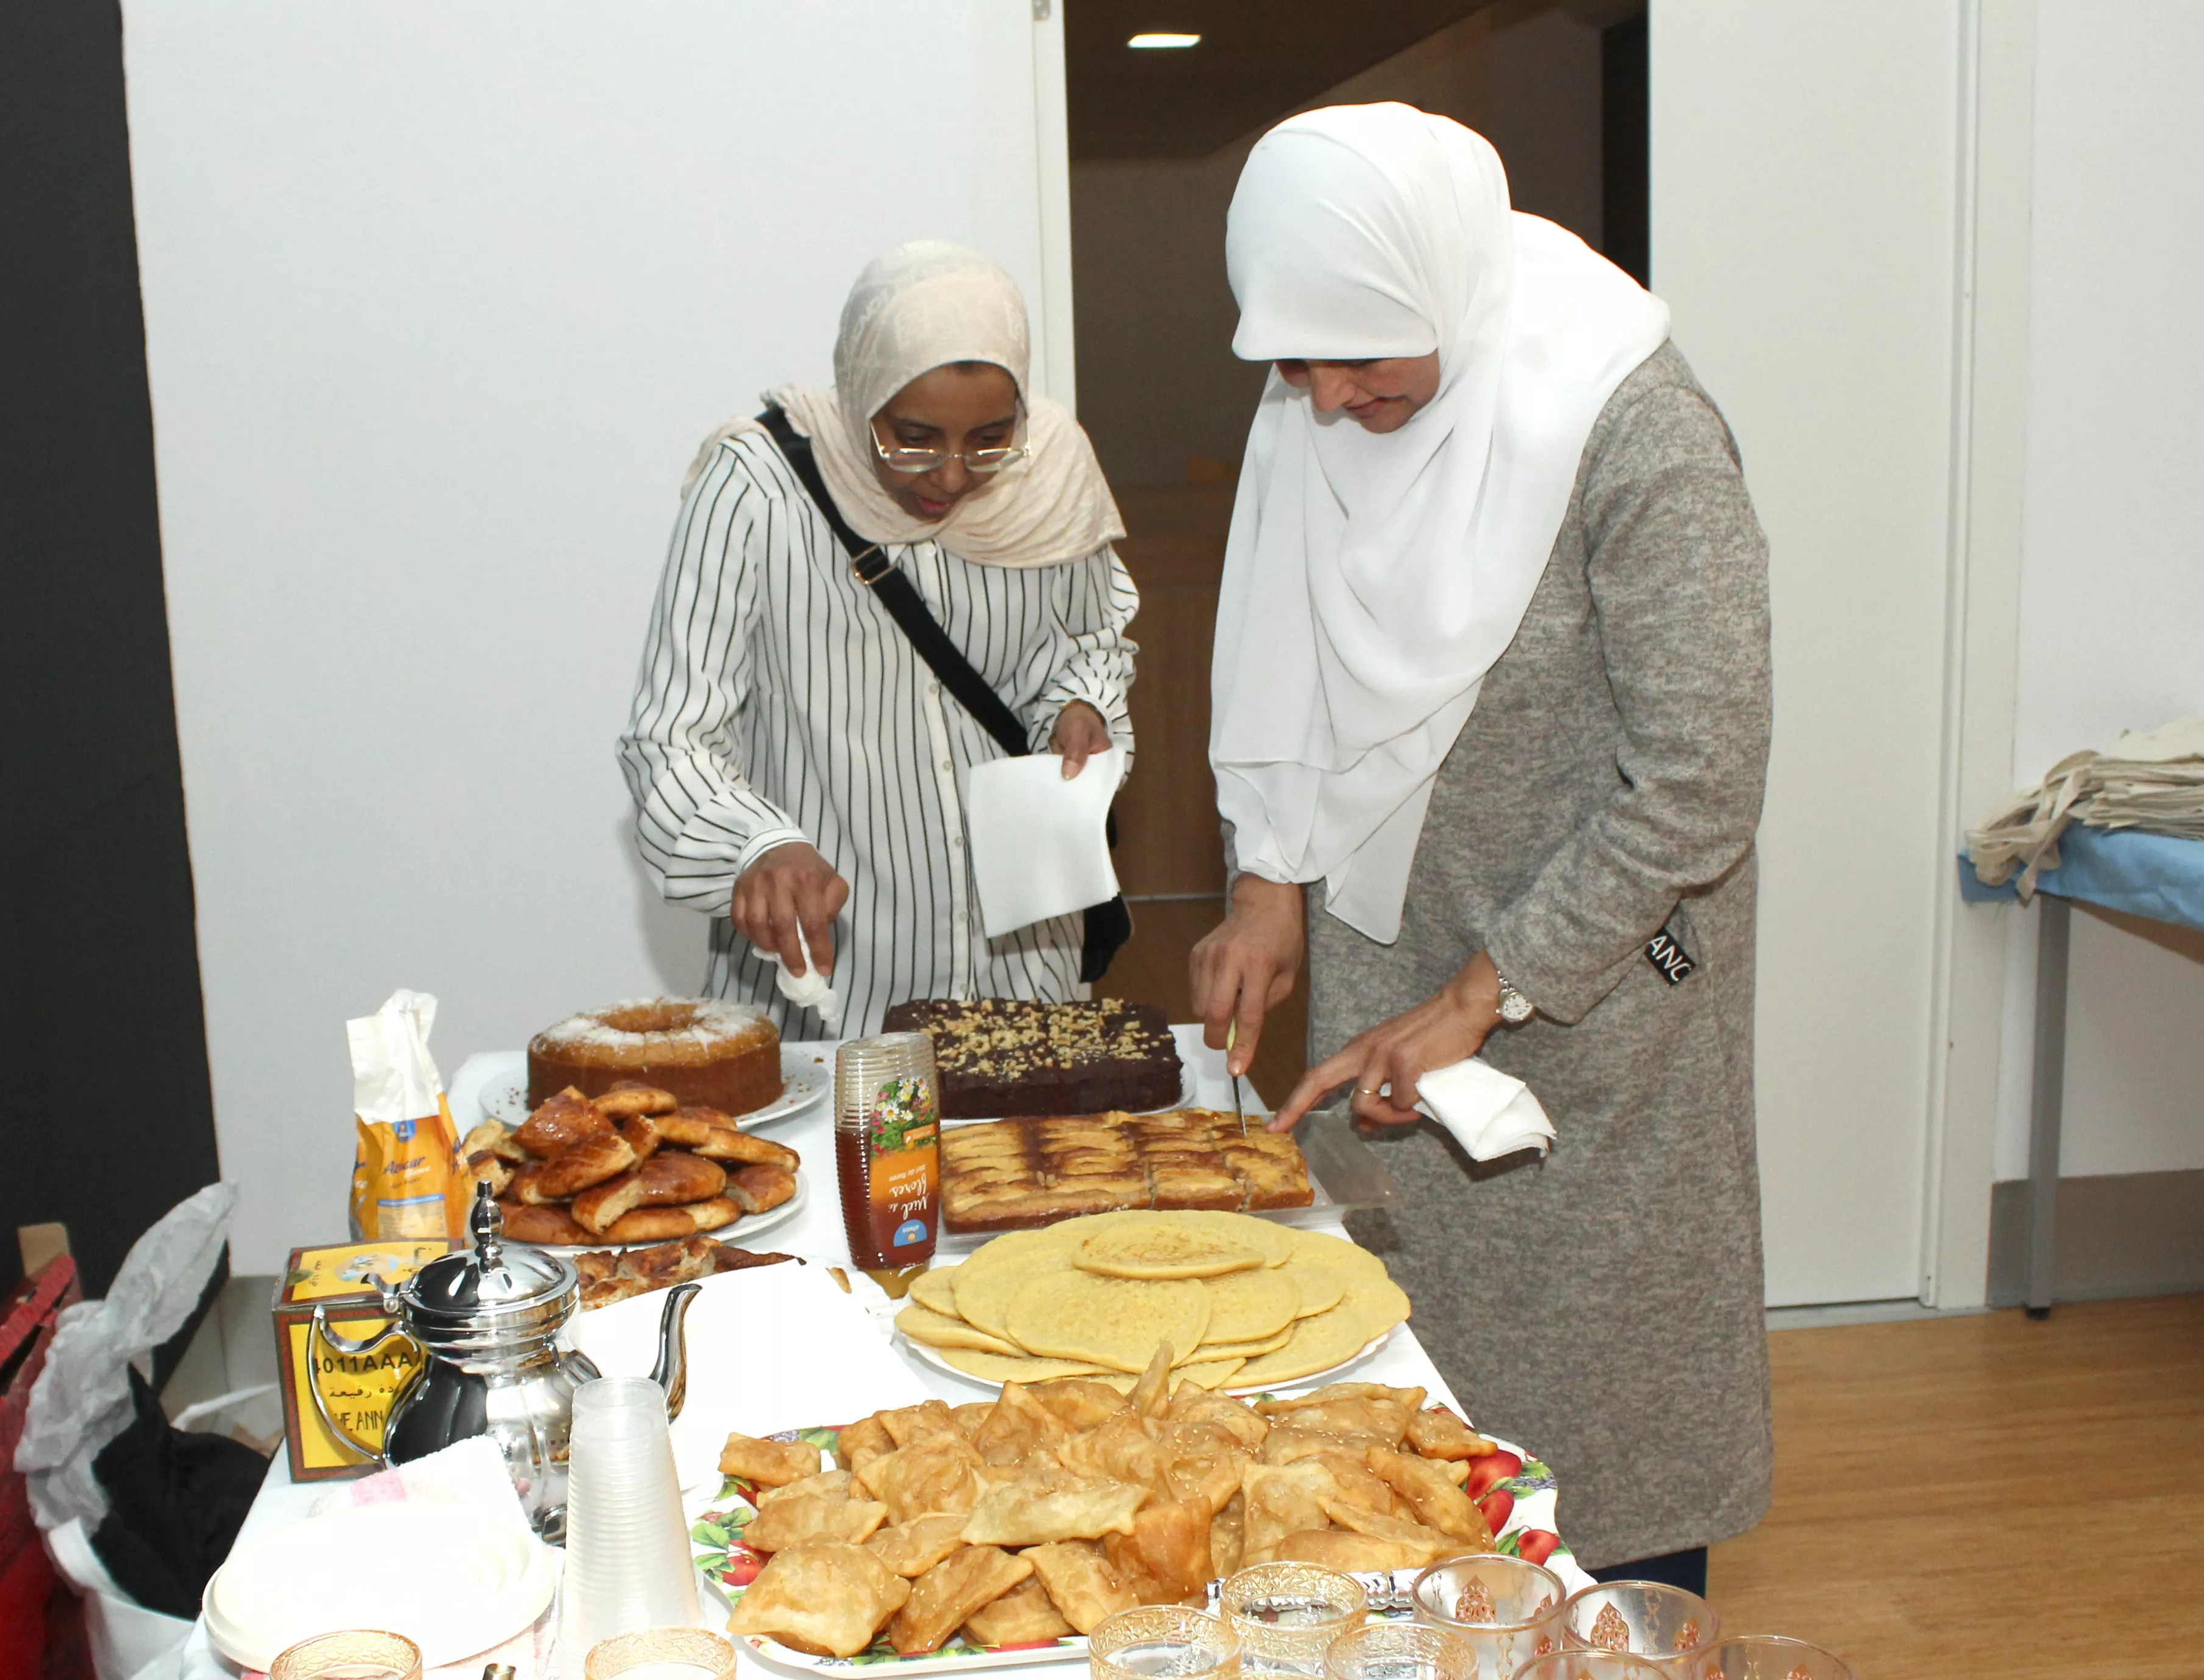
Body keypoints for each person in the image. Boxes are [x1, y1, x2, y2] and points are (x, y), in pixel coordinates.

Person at [1191, 105, 1773, 1588]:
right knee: (1383, 1451)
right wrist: (1267, 881)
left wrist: (1486, 989)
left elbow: (1698, 782)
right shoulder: (1330, 380)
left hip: (1595, 997)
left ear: (1442, 286)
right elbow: (1284, 652)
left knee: (1602, 1441)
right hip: (1391, 964)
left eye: (1361, 361)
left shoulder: (1630, 422)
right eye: (1294, 365)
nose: (1325, 400)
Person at [621, 242, 1139, 1035]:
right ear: (862, 390)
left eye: (990, 438)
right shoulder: (759, 487)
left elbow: (1090, 637)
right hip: (835, 1000)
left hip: (1025, 985)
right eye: (915, 437)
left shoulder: (1052, 473)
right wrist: (757, 848)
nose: (954, 475)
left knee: (1026, 1161)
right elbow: (672, 738)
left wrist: (1081, 706)